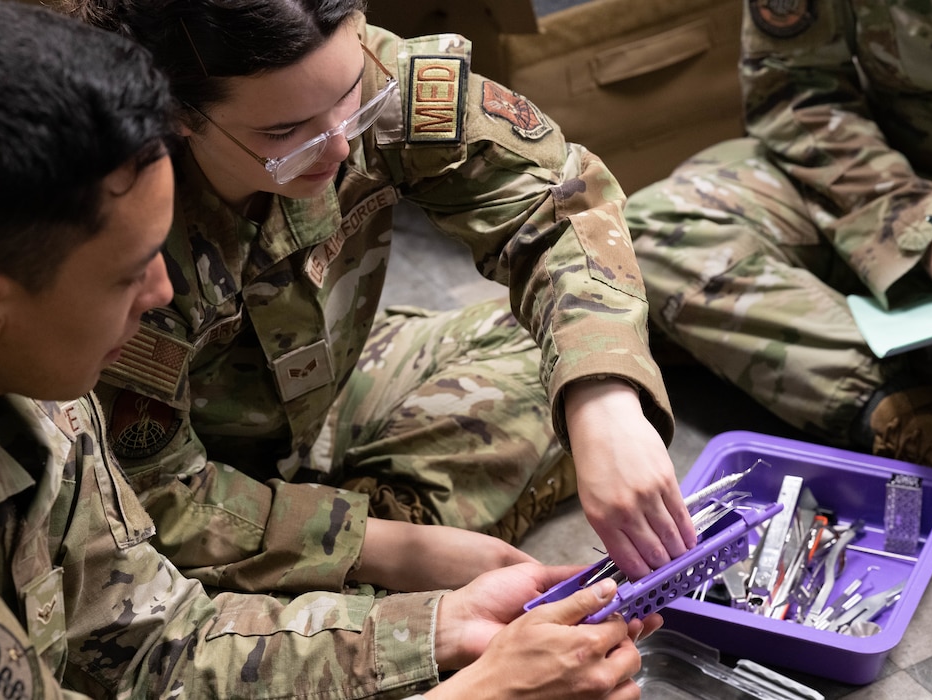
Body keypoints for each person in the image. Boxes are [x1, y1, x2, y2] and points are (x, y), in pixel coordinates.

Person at [0, 1, 660, 698]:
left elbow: (156, 644)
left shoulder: (43, 402)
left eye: (354, 103)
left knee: (562, 355)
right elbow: (157, 539)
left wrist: (434, 625)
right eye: (129, 274)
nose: (159, 291)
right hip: (187, 483)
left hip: (314, 415)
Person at [62, 0, 696, 585]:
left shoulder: (370, 73)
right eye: (285, 134)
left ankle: (349, 555)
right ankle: (356, 566)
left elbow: (554, 204)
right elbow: (152, 494)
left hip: (327, 397)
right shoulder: (113, 231)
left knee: (575, 349)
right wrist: (381, 547)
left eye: (350, 99)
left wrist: (602, 401)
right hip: (193, 480)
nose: (340, 144)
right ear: (177, 113)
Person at [623, 1, 932, 534]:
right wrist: (917, 227)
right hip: (873, 182)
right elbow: (795, 89)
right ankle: (916, 421)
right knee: (658, 227)